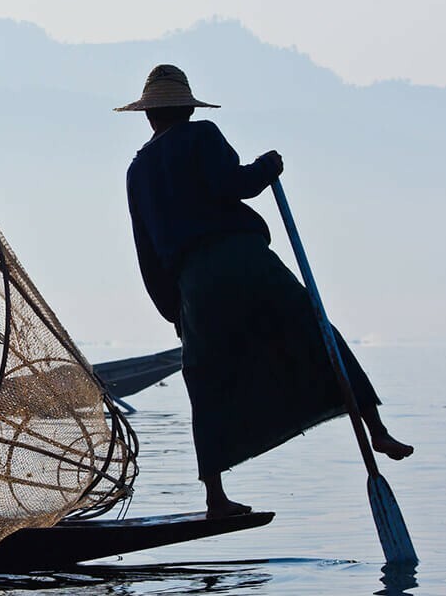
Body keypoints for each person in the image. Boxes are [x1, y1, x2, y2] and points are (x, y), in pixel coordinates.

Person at [117, 64, 413, 518]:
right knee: (317, 332)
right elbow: (234, 185)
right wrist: (268, 166)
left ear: (149, 115)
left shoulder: (137, 171)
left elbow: (148, 252)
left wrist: (174, 310)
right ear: (188, 109)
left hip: (194, 284)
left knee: (204, 379)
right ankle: (377, 430)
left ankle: (215, 496)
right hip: (245, 260)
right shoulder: (201, 135)